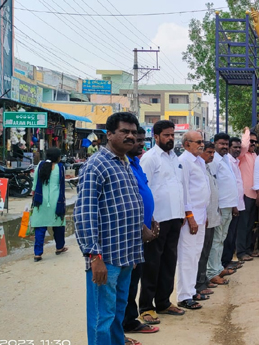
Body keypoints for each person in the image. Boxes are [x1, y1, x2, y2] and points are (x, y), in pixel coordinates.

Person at [74, 112, 144, 345]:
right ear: (109, 134)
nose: (130, 136)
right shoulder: (96, 165)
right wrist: (94, 256)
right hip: (106, 257)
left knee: (117, 313)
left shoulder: (124, 162)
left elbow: (124, 203)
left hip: (126, 255)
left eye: (133, 132)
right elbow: (85, 213)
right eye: (124, 131)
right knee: (101, 318)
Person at [139, 120, 186, 323]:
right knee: (152, 263)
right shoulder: (150, 159)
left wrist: (183, 213)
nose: (170, 138)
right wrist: (147, 220)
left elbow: (178, 186)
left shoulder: (175, 157)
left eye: (172, 135)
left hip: (175, 217)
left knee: (169, 261)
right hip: (157, 219)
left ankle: (164, 302)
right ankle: (147, 307)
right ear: (156, 136)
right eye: (166, 135)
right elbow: (142, 190)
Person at [123, 128, 159, 339]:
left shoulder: (136, 163)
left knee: (134, 279)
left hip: (143, 233)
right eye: (136, 140)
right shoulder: (124, 164)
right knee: (126, 283)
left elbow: (143, 194)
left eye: (141, 140)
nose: (139, 143)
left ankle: (129, 319)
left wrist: (150, 218)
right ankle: (126, 323)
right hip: (130, 235)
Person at [176, 130, 210, 310]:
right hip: (191, 217)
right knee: (187, 256)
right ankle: (183, 296)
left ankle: (191, 290)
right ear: (186, 144)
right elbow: (184, 191)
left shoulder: (199, 161)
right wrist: (189, 216)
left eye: (201, 141)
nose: (201, 144)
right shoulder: (183, 162)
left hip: (201, 214)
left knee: (196, 254)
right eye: (198, 142)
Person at [207, 132, 238, 285]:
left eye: (226, 144)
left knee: (221, 239)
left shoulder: (225, 158)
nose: (224, 147)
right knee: (217, 240)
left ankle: (218, 267)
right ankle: (212, 272)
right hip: (220, 207)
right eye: (221, 144)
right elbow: (212, 184)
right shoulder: (213, 160)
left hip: (228, 205)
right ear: (214, 143)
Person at [31, 148, 67, 262]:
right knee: (58, 225)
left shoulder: (40, 165)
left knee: (40, 227)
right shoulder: (60, 168)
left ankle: (38, 254)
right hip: (56, 201)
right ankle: (59, 247)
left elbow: (35, 182)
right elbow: (61, 184)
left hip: (41, 200)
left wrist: (34, 195)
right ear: (57, 157)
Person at [195, 142, 222, 294]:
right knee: (201, 251)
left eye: (213, 152)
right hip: (202, 218)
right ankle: (199, 285)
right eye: (209, 152)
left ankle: (203, 280)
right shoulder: (198, 168)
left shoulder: (207, 167)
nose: (211, 155)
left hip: (211, 217)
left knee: (207, 250)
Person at [222, 137, 245, 270]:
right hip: (232, 205)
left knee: (233, 234)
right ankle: (225, 261)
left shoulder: (235, 161)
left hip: (238, 203)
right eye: (234, 147)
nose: (237, 150)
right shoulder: (228, 162)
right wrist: (234, 205)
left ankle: (229, 259)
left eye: (239, 147)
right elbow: (230, 186)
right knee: (228, 236)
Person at [236, 128, 259, 262]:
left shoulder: (255, 156)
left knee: (251, 225)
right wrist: (246, 134)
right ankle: (241, 252)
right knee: (243, 225)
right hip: (244, 195)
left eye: (255, 142)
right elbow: (243, 146)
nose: (253, 144)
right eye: (251, 141)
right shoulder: (242, 155)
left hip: (254, 195)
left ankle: (249, 249)